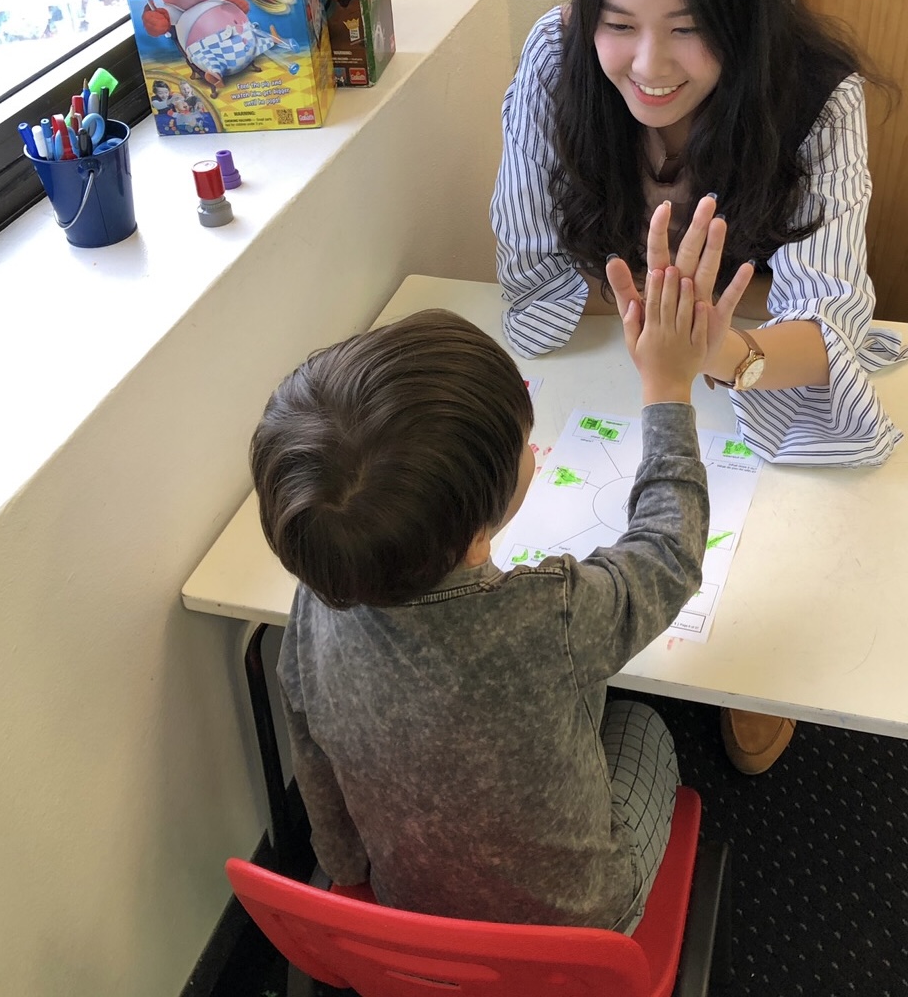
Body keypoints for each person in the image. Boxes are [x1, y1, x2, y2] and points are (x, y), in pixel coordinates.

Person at [490, 0, 908, 773]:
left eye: (687, 28)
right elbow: (527, 267)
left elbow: (832, 319)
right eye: (618, 22)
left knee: (777, 523)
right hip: (612, 339)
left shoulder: (816, 96)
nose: (648, 64)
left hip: (747, 355)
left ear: (743, 14)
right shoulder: (558, 60)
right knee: (575, 509)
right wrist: (647, 325)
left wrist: (723, 353)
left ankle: (748, 670)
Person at [249, 249, 730, 931]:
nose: (533, 449)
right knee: (647, 724)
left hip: (406, 909)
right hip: (580, 931)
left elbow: (316, 767)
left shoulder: (313, 605)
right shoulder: (552, 615)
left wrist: (350, 871)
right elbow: (668, 555)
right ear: (482, 523)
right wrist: (667, 392)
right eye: (525, 440)